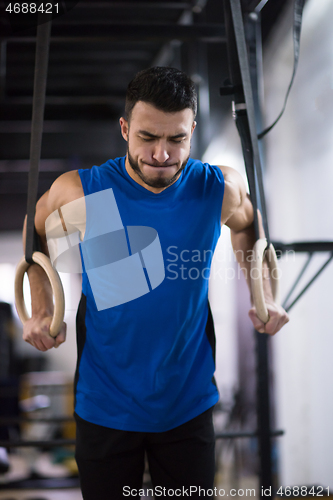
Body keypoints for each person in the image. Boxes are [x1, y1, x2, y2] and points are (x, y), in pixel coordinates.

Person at [22, 67, 289, 499]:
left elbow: (248, 229)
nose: (162, 154)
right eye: (148, 137)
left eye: (176, 139)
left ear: (192, 131)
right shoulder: (83, 192)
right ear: (125, 128)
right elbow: (35, 237)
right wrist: (41, 309)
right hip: (105, 404)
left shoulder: (216, 188)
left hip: (187, 403)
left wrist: (265, 296)